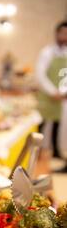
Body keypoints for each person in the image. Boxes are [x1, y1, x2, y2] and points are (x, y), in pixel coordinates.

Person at [36, 21, 67, 170]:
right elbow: (40, 75)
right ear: (56, 34)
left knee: (57, 124)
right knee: (41, 124)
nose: (64, 36)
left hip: (61, 97)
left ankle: (55, 153)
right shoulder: (47, 52)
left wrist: (63, 91)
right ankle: (36, 152)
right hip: (47, 97)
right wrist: (52, 91)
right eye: (62, 33)